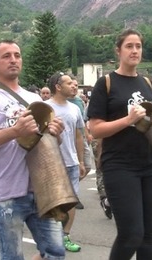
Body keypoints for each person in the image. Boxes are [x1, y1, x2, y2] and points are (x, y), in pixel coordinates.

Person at [0, 40, 65, 260]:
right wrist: (15, 131)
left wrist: (56, 133)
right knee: (12, 257)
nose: (13, 60)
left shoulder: (35, 98)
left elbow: (47, 143)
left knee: (55, 252)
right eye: (6, 56)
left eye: (17, 55)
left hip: (41, 189)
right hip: (5, 192)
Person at [87, 28, 152, 260]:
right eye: (129, 46)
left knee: (150, 236)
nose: (135, 51)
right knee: (131, 234)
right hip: (120, 166)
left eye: (138, 46)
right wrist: (127, 120)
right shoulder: (106, 83)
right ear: (118, 50)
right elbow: (95, 129)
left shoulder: (147, 82)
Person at [46, 72, 86, 252]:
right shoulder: (45, 107)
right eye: (69, 83)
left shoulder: (75, 108)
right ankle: (51, 237)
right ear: (58, 86)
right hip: (51, 164)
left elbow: (78, 136)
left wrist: (80, 161)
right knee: (54, 203)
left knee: (71, 202)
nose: (73, 86)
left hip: (71, 163)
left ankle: (66, 236)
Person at [68, 77, 91, 210]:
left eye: (76, 85)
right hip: (68, 139)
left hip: (80, 137)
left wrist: (87, 134)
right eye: (71, 84)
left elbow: (82, 122)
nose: (74, 87)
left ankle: (69, 190)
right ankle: (72, 195)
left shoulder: (79, 101)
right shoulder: (62, 102)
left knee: (87, 166)